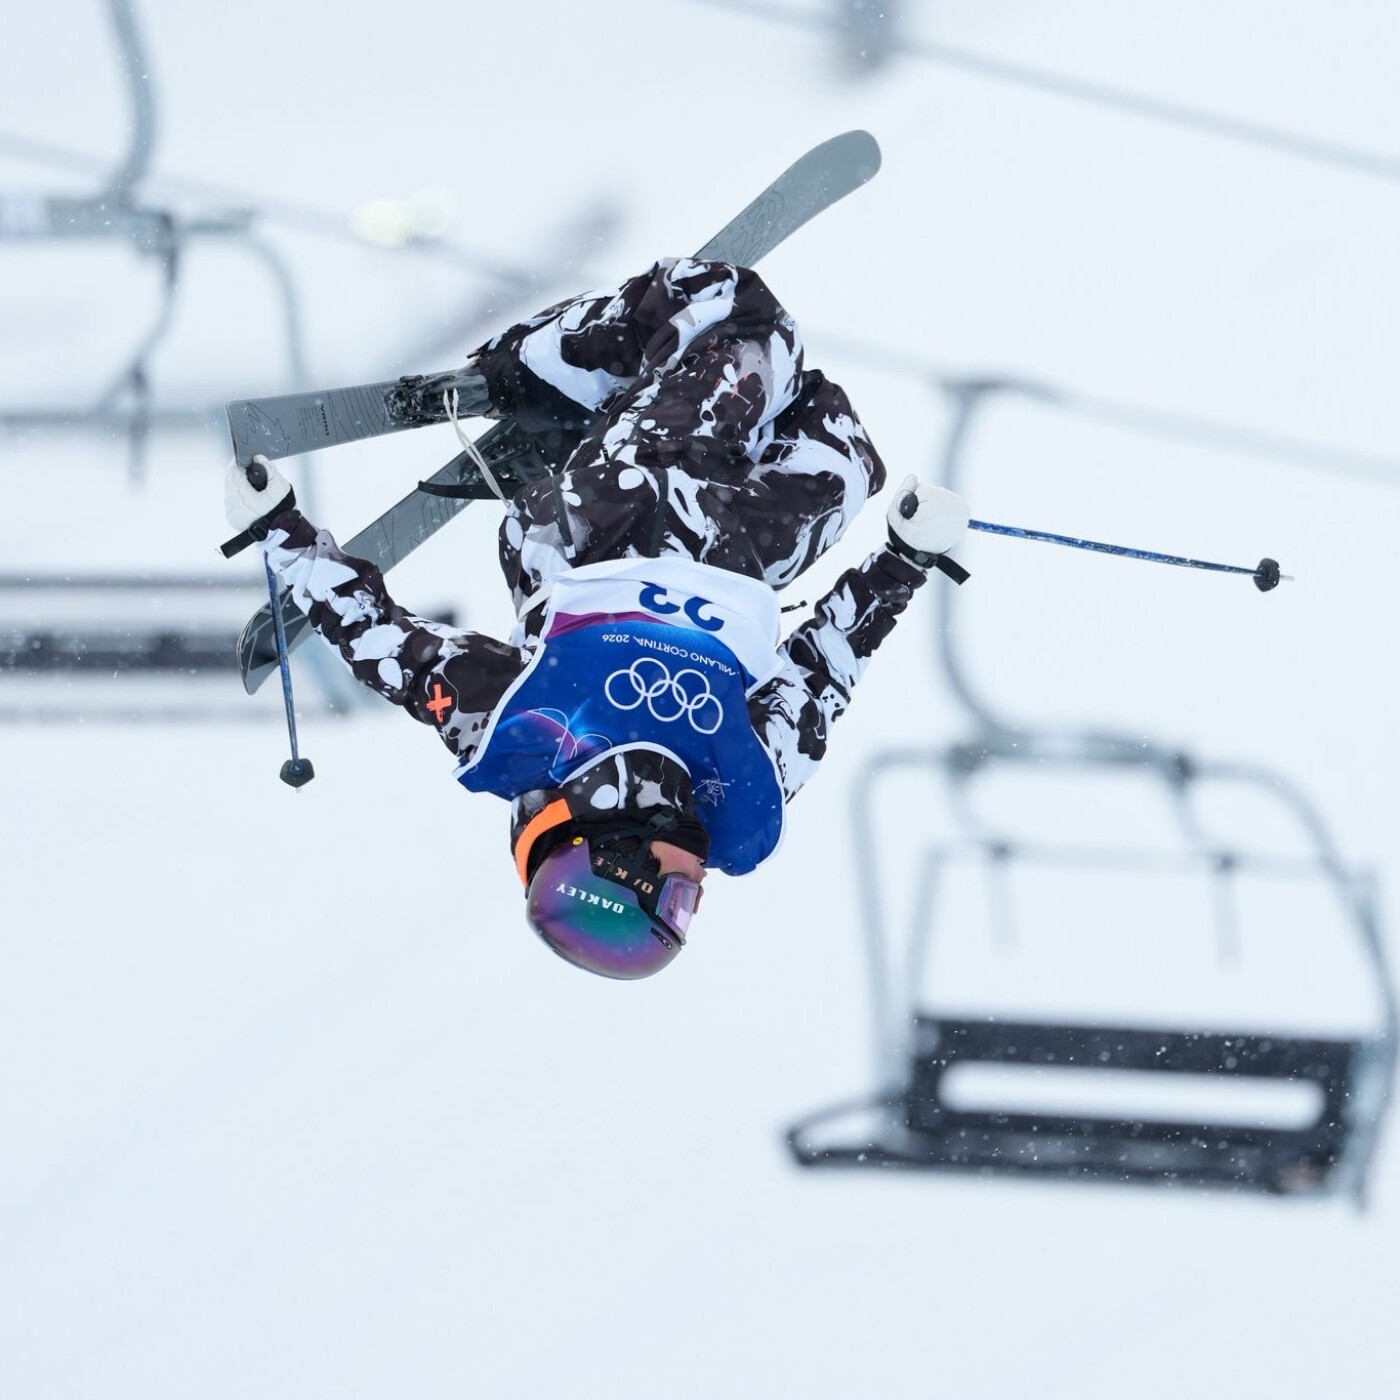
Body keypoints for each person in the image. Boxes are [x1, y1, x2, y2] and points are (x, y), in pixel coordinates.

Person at [224, 258, 968, 979]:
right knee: (838, 450)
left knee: (738, 316)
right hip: (739, 563)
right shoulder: (745, 797)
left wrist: (281, 532)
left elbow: (390, 646)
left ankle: (536, 369)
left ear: (619, 857)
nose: (697, 895)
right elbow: (821, 672)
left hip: (612, 525)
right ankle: (600, 414)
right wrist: (906, 558)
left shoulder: (530, 731)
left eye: (675, 898)